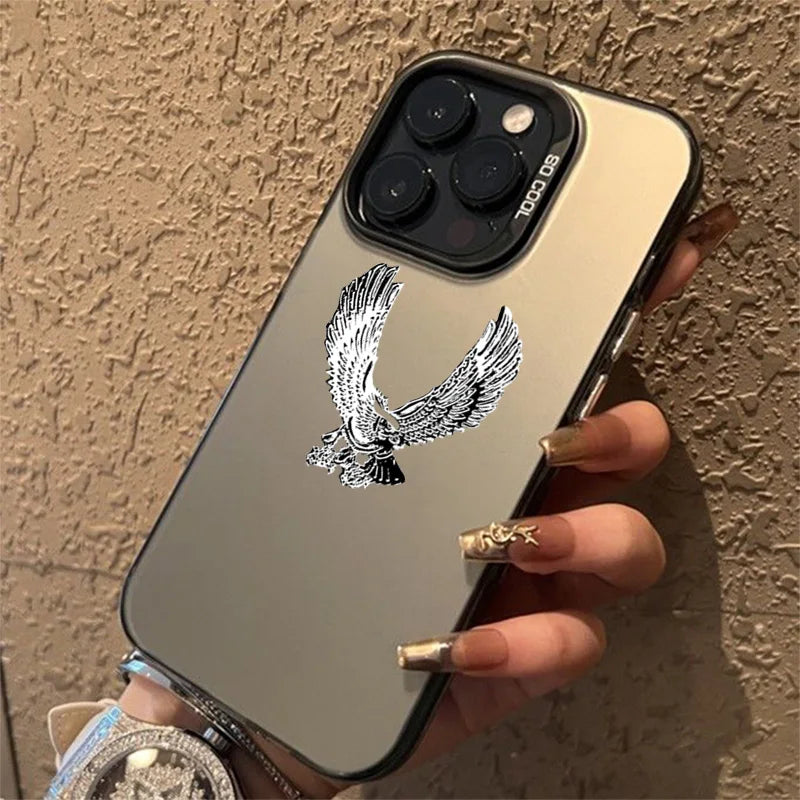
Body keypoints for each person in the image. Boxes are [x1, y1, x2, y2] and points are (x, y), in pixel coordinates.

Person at [47, 204, 738, 799]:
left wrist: (187, 716)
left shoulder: (387, 426)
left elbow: (461, 384)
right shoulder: (357, 411)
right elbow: (361, 348)